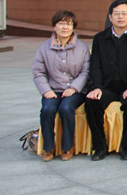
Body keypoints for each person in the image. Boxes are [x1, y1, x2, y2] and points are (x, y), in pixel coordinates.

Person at [86, 0, 127, 161]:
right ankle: (99, 147)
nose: (120, 17)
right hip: (107, 86)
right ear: (110, 17)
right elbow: (95, 65)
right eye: (117, 14)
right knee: (91, 102)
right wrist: (96, 87)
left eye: (124, 14)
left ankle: (126, 147)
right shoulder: (100, 38)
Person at [33, 10, 90, 162]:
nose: (65, 27)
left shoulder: (82, 47)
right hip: (53, 90)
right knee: (47, 109)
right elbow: (38, 72)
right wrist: (46, 91)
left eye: (69, 24)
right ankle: (48, 147)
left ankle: (67, 147)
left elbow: (86, 72)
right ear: (54, 26)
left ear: (73, 27)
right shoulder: (44, 48)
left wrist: (73, 88)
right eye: (61, 24)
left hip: (76, 90)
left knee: (66, 108)